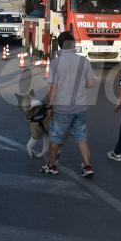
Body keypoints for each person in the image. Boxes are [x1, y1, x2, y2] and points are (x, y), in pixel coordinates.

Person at [41, 31, 97, 177]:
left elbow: (52, 88)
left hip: (62, 108)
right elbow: (91, 83)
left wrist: (48, 106)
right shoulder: (84, 61)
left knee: (55, 137)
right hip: (80, 107)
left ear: (60, 45)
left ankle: (52, 166)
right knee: (81, 137)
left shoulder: (55, 63)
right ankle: (88, 166)